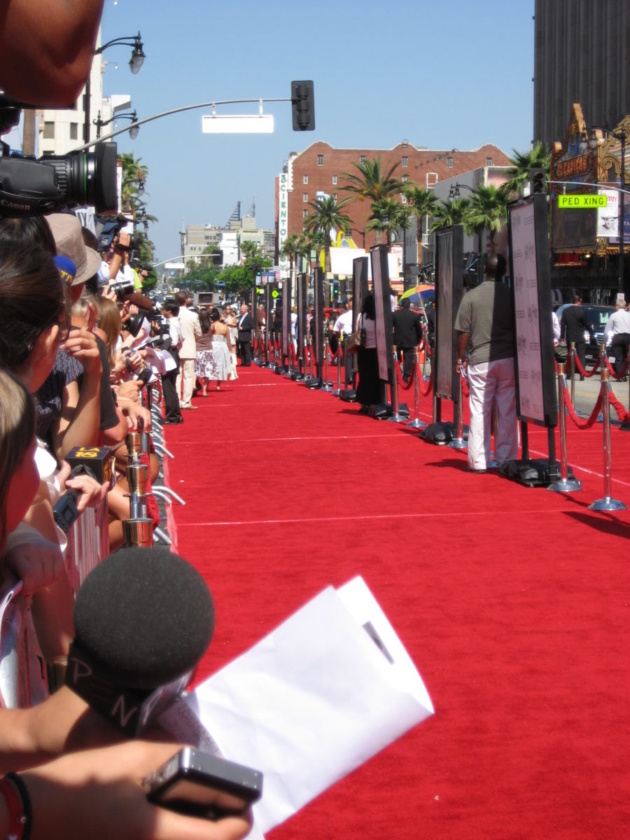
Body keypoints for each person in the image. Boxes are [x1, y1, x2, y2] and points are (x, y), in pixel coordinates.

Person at [454, 252, 518, 473]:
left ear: (483, 270)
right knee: (507, 410)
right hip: (508, 358)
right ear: (504, 272)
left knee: (480, 409)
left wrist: (460, 357)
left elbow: (463, 331)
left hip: (480, 359)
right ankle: (506, 458)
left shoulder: (471, 297)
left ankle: (479, 461)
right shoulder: (512, 296)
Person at [174, 290, 201, 409]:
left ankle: (176, 401)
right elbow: (199, 333)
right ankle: (186, 402)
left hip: (175, 348)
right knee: (188, 376)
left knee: (177, 376)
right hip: (189, 347)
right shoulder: (193, 315)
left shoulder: (173, 315)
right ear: (187, 301)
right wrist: (192, 338)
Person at [356, 293, 381, 414]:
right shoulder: (378, 318)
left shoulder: (361, 317)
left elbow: (357, 331)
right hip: (376, 350)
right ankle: (375, 401)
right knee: (375, 377)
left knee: (364, 377)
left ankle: (364, 403)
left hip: (363, 350)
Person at [560, 294, 594, 380]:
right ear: (579, 301)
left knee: (570, 355)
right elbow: (586, 324)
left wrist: (562, 337)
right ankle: (582, 374)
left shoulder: (566, 312)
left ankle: (568, 374)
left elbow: (563, 325)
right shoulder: (581, 312)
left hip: (570, 337)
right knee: (581, 355)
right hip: (579, 337)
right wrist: (591, 330)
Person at [392, 297, 422, 382]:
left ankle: (398, 372)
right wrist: (418, 340)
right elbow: (418, 329)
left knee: (396, 355)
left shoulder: (395, 315)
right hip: (410, 339)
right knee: (408, 357)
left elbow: (390, 326)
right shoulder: (414, 316)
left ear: (401, 305)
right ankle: (406, 375)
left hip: (397, 339)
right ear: (409, 305)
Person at [603, 297, 630, 376]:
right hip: (628, 337)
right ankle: (624, 372)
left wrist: (605, 341)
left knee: (618, 357)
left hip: (617, 337)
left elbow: (607, 329)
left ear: (617, 306)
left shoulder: (614, 315)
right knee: (625, 356)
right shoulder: (629, 315)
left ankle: (619, 373)